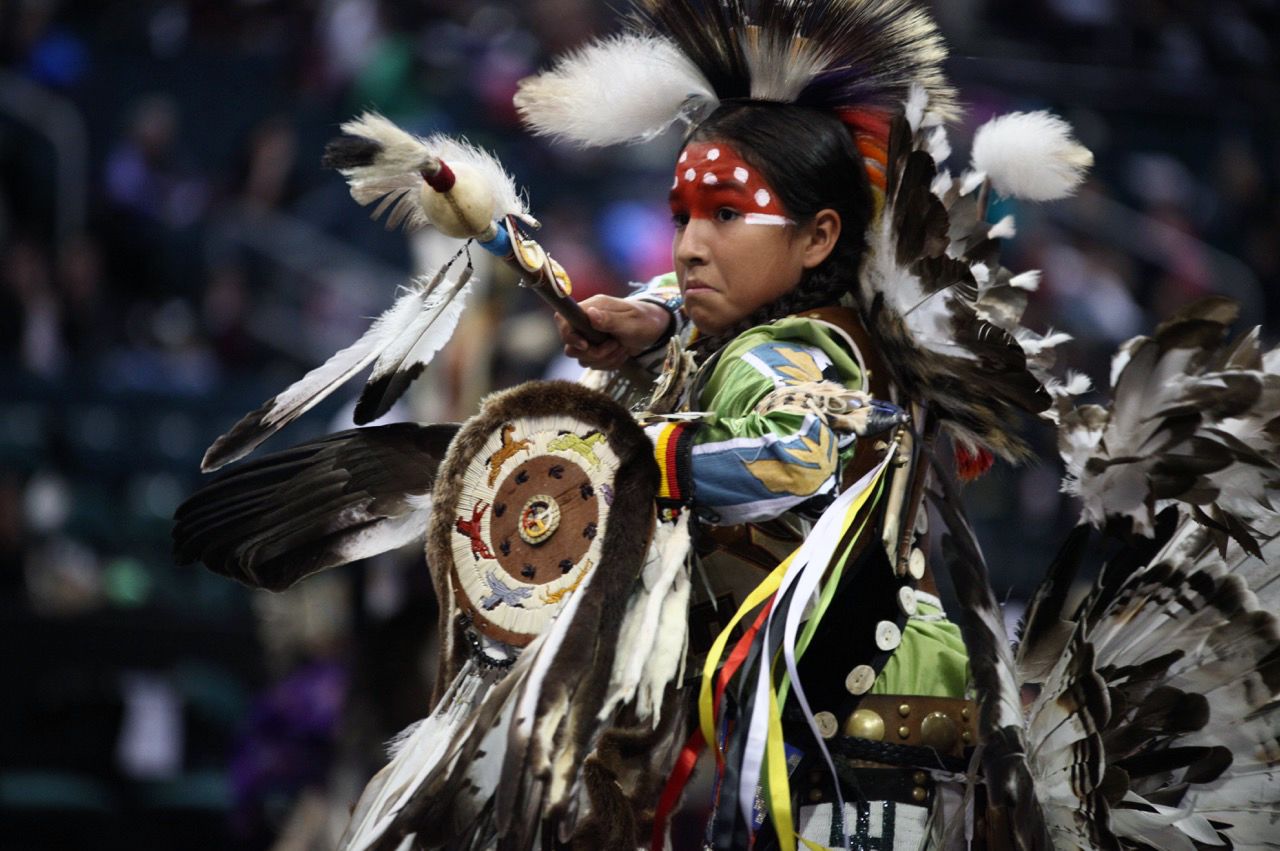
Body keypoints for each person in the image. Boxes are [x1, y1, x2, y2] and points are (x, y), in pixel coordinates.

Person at [552, 100, 973, 850]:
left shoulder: (784, 350)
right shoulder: (805, 329)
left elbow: (795, 451)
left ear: (819, 237)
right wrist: (659, 316)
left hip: (871, 709)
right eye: (682, 217)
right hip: (875, 693)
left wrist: (621, 450)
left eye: (724, 212)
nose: (688, 248)